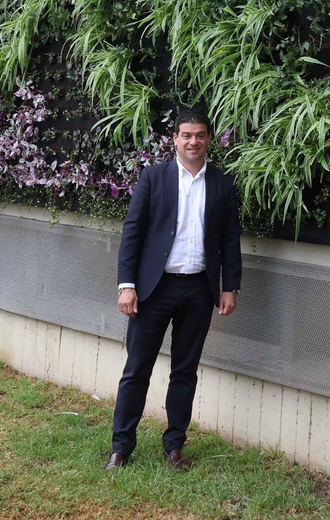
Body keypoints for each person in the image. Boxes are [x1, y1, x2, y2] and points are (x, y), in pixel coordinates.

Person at [106, 107, 242, 472]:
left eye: (199, 135)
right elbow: (132, 233)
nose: (193, 141)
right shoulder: (153, 178)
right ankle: (121, 449)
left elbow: (230, 240)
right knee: (137, 369)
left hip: (199, 290)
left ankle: (174, 447)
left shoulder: (223, 184)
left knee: (185, 371)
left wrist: (230, 287)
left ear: (208, 139)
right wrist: (127, 285)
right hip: (154, 289)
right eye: (186, 135)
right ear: (175, 140)